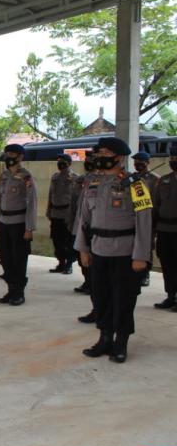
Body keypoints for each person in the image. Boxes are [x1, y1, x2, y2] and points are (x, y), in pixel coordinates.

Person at [75, 137, 151, 364]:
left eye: (105, 152)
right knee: (101, 298)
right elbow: (83, 219)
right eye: (99, 152)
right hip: (98, 250)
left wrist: (141, 255)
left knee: (124, 299)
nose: (100, 156)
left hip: (125, 253)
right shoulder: (92, 183)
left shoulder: (136, 185)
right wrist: (83, 249)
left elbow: (144, 221)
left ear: (119, 157)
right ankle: (105, 338)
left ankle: (121, 342)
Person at [0, 144, 37, 306]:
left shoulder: (26, 177)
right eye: (6, 154)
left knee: (19, 259)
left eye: (12, 154)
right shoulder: (4, 175)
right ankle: (11, 289)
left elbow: (32, 202)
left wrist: (29, 228)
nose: (8, 157)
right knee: (5, 258)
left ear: (20, 157)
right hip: (4, 223)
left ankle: (19, 292)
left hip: (19, 224)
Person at [71, 150, 100, 324]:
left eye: (93, 158)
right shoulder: (86, 180)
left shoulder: (126, 183)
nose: (89, 161)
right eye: (87, 159)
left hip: (107, 239)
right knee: (88, 269)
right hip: (84, 231)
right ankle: (96, 309)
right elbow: (79, 208)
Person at [153, 146, 177, 310]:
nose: (173, 161)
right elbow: (155, 206)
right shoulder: (163, 180)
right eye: (172, 158)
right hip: (164, 229)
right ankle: (171, 295)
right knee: (167, 264)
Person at [47, 153, 78, 275]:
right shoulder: (54, 177)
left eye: (63, 161)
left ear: (69, 163)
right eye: (58, 161)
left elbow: (76, 198)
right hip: (55, 213)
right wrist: (48, 211)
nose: (60, 163)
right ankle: (61, 263)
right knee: (56, 239)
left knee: (68, 241)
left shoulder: (75, 178)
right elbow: (50, 195)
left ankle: (69, 264)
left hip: (67, 214)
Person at [132, 151, 159, 287]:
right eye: (136, 162)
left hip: (150, 218)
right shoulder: (132, 178)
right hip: (133, 218)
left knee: (146, 246)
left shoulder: (155, 180)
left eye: (140, 162)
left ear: (147, 163)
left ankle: (145, 274)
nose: (138, 164)